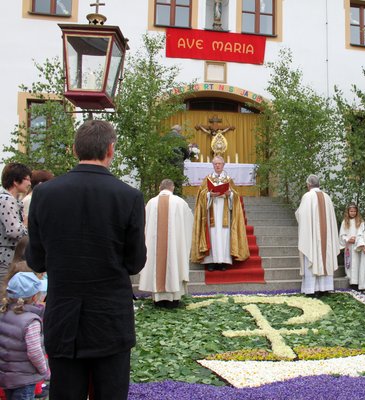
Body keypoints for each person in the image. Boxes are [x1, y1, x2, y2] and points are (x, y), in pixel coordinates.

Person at [26, 119, 147, 400]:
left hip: (63, 315)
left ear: (73, 150)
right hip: (110, 319)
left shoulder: (44, 194)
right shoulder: (128, 196)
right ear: (110, 149)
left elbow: (37, 260)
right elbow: (135, 262)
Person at [138, 179, 193, 308]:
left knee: (156, 262)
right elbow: (189, 221)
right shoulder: (180, 202)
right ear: (172, 188)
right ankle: (173, 299)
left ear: (159, 188)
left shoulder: (151, 203)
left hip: (155, 247)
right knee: (174, 260)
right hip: (174, 247)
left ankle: (158, 299)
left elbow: (143, 224)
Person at [191, 155, 249, 271]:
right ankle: (211, 261)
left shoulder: (228, 179)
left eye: (219, 164)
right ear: (213, 165)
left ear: (223, 165)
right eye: (215, 164)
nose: (217, 166)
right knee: (212, 235)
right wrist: (208, 195)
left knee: (223, 236)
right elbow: (200, 195)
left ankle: (223, 261)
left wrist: (230, 195)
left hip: (224, 212)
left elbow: (236, 196)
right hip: (211, 212)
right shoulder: (207, 179)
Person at [0, 272, 50, 399]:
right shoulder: (31, 321)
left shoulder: (4, 313)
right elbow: (34, 352)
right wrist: (44, 370)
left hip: (6, 376)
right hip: (24, 379)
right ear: (34, 297)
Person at [295, 174, 339, 296]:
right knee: (326, 257)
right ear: (318, 184)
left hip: (312, 238)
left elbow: (301, 216)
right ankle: (325, 288)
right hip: (326, 238)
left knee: (312, 256)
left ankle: (311, 289)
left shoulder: (307, 196)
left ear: (308, 184)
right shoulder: (327, 197)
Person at [0, 163, 31, 284]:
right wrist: (26, 225)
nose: (29, 183)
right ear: (15, 181)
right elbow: (14, 231)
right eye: (27, 179)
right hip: (4, 257)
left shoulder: (10, 200)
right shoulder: (7, 200)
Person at [339, 203, 363, 288]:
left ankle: (357, 281)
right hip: (349, 245)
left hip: (357, 245)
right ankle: (350, 279)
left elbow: (361, 233)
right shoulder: (345, 222)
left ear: (357, 212)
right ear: (348, 212)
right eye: (351, 211)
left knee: (357, 262)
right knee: (349, 262)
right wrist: (348, 239)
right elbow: (342, 234)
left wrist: (356, 239)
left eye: (354, 211)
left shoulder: (360, 221)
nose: (353, 213)